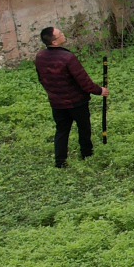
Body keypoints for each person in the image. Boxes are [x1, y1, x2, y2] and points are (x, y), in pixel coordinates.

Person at [34, 26, 107, 168]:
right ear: (54, 42)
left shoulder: (40, 56)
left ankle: (60, 161)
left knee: (62, 130)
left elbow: (42, 79)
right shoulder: (68, 58)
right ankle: (86, 154)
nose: (62, 34)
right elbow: (83, 80)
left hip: (57, 103)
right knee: (84, 127)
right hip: (76, 101)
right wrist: (99, 90)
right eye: (59, 34)